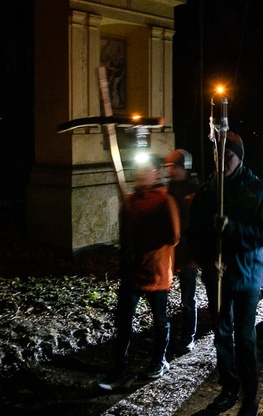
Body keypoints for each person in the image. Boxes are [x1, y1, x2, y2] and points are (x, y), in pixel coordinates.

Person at [189, 131, 263, 416]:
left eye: (228, 155)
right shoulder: (206, 192)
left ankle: (250, 393)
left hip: (246, 275)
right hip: (218, 277)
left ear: (239, 157)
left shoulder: (257, 190)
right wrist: (206, 261)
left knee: (244, 336)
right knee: (221, 335)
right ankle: (228, 387)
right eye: (218, 154)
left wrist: (233, 228)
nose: (222, 161)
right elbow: (196, 235)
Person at [98, 154, 180, 391]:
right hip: (131, 272)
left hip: (155, 272)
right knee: (123, 320)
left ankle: (159, 360)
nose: (139, 172)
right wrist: (125, 255)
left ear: (156, 173)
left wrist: (145, 240)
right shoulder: (129, 200)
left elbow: (173, 236)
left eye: (145, 169)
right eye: (137, 168)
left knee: (159, 320)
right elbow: (125, 235)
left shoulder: (166, 201)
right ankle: (119, 367)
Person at [164, 148, 200, 355]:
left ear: (183, 168)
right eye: (168, 167)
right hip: (169, 252)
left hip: (187, 253)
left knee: (188, 297)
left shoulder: (195, 192)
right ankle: (169, 333)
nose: (170, 170)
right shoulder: (168, 189)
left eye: (174, 167)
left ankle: (188, 337)